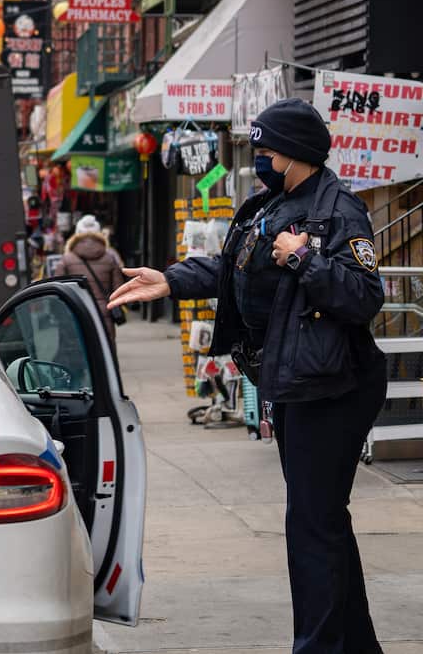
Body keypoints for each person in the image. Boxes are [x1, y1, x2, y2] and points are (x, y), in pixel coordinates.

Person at [108, 98, 386, 654]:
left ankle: (320, 647)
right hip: (295, 382)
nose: (260, 158)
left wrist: (302, 260)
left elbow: (365, 296)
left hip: (334, 388)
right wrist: (171, 280)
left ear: (297, 153)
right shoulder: (270, 206)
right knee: (321, 520)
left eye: (267, 150)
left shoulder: (340, 211)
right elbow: (233, 264)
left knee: (312, 525)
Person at [53, 214, 126, 344]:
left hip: (77, 311)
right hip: (104, 312)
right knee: (106, 350)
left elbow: (58, 289)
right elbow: (119, 290)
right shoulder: (110, 258)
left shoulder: (66, 259)